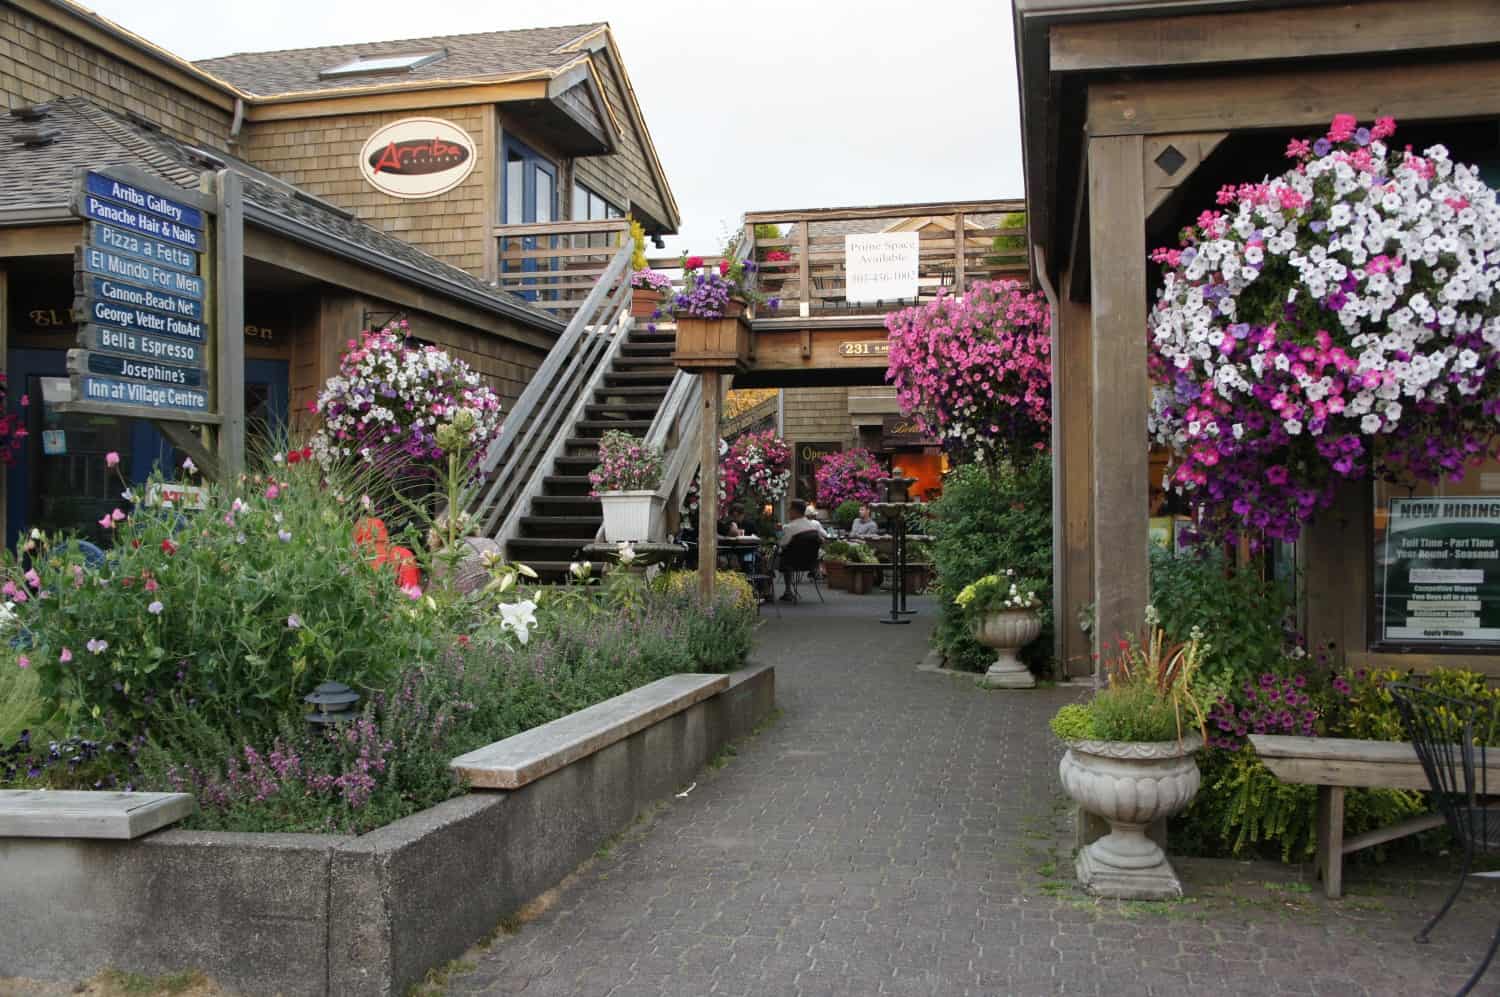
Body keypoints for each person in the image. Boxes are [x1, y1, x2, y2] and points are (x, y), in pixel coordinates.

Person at [777, 499, 828, 601]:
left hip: (790, 562)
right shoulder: (814, 526)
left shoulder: (789, 527)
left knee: (770, 559)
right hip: (811, 562)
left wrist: (778, 532)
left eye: (789, 509)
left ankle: (782, 591)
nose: (788, 511)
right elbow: (822, 539)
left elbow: (781, 544)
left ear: (795, 511)